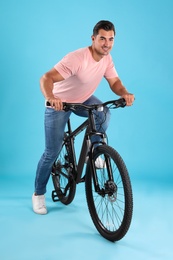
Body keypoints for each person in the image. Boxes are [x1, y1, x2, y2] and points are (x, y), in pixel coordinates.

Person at [32, 20, 135, 215]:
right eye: (102, 39)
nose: (107, 43)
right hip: (60, 103)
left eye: (111, 39)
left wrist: (124, 93)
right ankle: (38, 193)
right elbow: (46, 78)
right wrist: (51, 98)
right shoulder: (77, 58)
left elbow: (115, 82)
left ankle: (95, 152)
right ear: (93, 38)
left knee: (103, 112)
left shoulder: (107, 58)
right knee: (51, 152)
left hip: (84, 99)